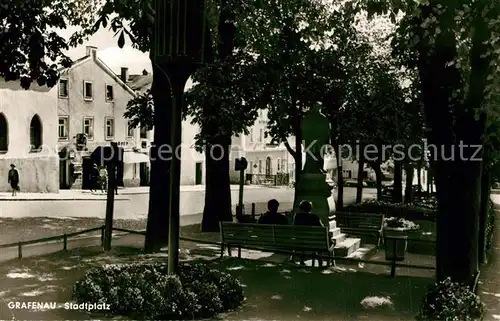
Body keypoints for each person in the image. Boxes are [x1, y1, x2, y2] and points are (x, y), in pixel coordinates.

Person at [292, 200, 324, 265]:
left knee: (302, 237)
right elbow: (322, 229)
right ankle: (320, 263)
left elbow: (294, 228)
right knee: (320, 242)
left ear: (300, 208)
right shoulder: (314, 217)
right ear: (310, 208)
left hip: (299, 240)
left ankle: (298, 260)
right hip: (312, 243)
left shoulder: (297, 217)